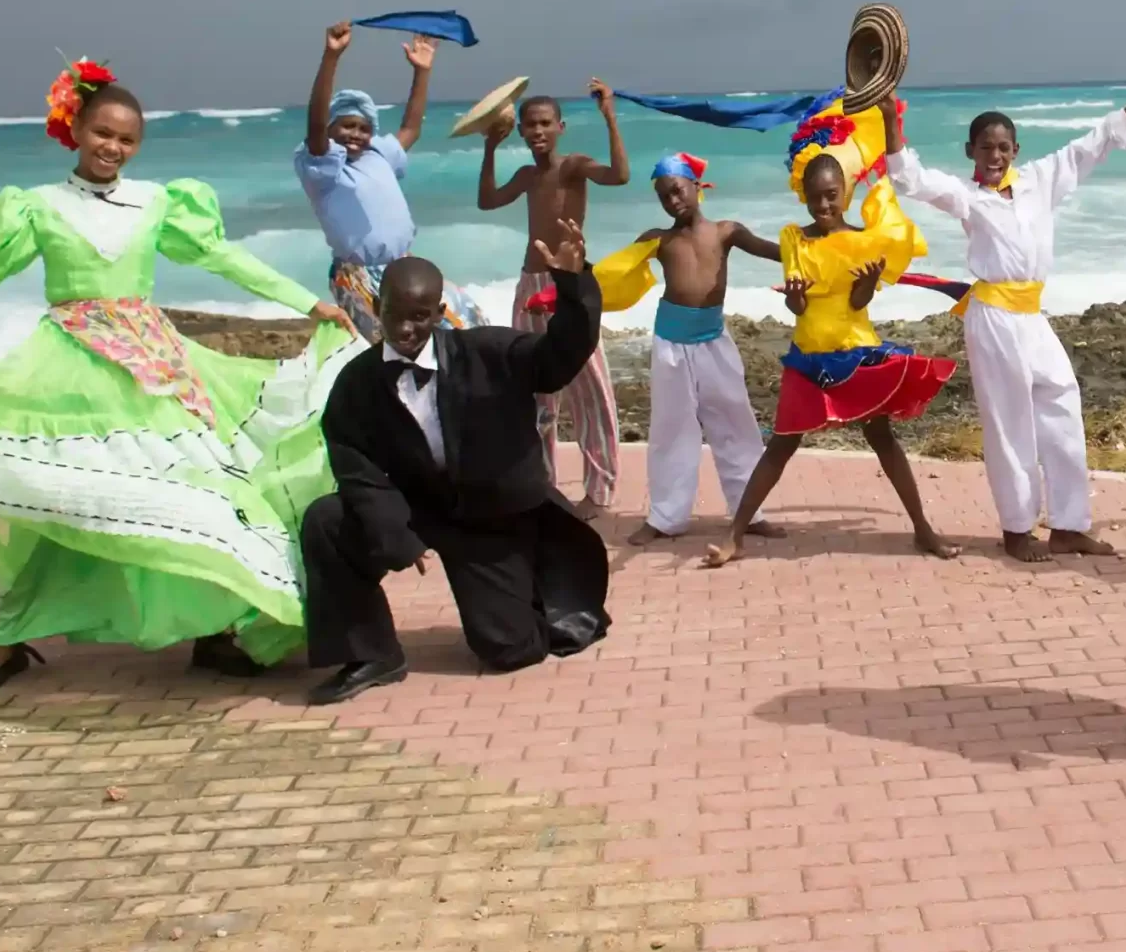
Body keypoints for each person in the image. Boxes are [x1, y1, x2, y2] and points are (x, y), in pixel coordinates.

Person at [0, 61, 357, 697]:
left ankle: (215, 629)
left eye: (127, 140)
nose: (113, 148)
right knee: (73, 495)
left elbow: (224, 258)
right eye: (103, 133)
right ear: (74, 128)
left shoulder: (158, 202)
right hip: (70, 368)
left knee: (202, 488)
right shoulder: (37, 208)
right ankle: (11, 639)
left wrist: (308, 303)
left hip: (158, 365)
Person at [885, 72, 1126, 561]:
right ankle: (1017, 529)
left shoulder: (1039, 181)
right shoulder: (967, 195)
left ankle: (1069, 525)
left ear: (1016, 150)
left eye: (1004, 147)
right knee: (1010, 422)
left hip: (1032, 316)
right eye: (986, 147)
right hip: (993, 318)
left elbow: (1088, 148)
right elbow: (911, 179)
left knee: (1062, 404)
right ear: (971, 152)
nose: (996, 156)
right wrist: (888, 122)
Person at [298, 244, 613, 706]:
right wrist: (394, 534)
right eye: (395, 315)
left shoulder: (490, 351)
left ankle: (532, 584)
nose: (406, 329)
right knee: (325, 521)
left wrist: (573, 285)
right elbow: (355, 463)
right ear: (375, 306)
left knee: (508, 649)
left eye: (420, 316)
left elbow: (558, 357)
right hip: (416, 508)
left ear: (440, 312)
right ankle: (371, 655)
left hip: (491, 517)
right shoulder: (357, 383)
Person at [703, 118, 963, 567]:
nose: (823, 204)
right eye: (815, 196)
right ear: (803, 196)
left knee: (882, 439)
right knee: (781, 445)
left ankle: (923, 529)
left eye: (831, 194)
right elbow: (798, 308)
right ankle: (734, 535)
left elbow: (859, 301)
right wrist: (797, 300)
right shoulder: (793, 240)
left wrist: (869, 283)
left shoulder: (863, 242)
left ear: (844, 194)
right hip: (807, 359)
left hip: (856, 353)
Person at [593, 153, 782, 545]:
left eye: (678, 190)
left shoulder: (727, 232)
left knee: (737, 425)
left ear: (697, 186)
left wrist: (825, 249)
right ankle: (665, 517)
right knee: (671, 430)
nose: (673, 200)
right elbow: (611, 273)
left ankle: (751, 510)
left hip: (714, 341)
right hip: (670, 345)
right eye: (664, 196)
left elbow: (776, 251)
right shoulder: (658, 240)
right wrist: (571, 276)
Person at [478, 83, 629, 515]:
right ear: (521, 132)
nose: (538, 130)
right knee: (533, 389)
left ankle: (599, 491)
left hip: (567, 284)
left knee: (591, 387)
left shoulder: (573, 167)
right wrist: (490, 148)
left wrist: (610, 117)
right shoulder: (527, 176)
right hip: (530, 285)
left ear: (560, 128)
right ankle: (541, 485)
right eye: (530, 125)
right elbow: (487, 201)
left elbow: (619, 175)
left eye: (546, 123)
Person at [297, 20, 486, 340]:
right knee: (395, 348)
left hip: (405, 266)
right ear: (330, 128)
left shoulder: (378, 153)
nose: (356, 134)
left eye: (363, 127)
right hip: (357, 276)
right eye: (346, 126)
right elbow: (315, 125)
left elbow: (411, 128)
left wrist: (422, 71)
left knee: (466, 328)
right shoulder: (324, 167)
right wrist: (332, 57)